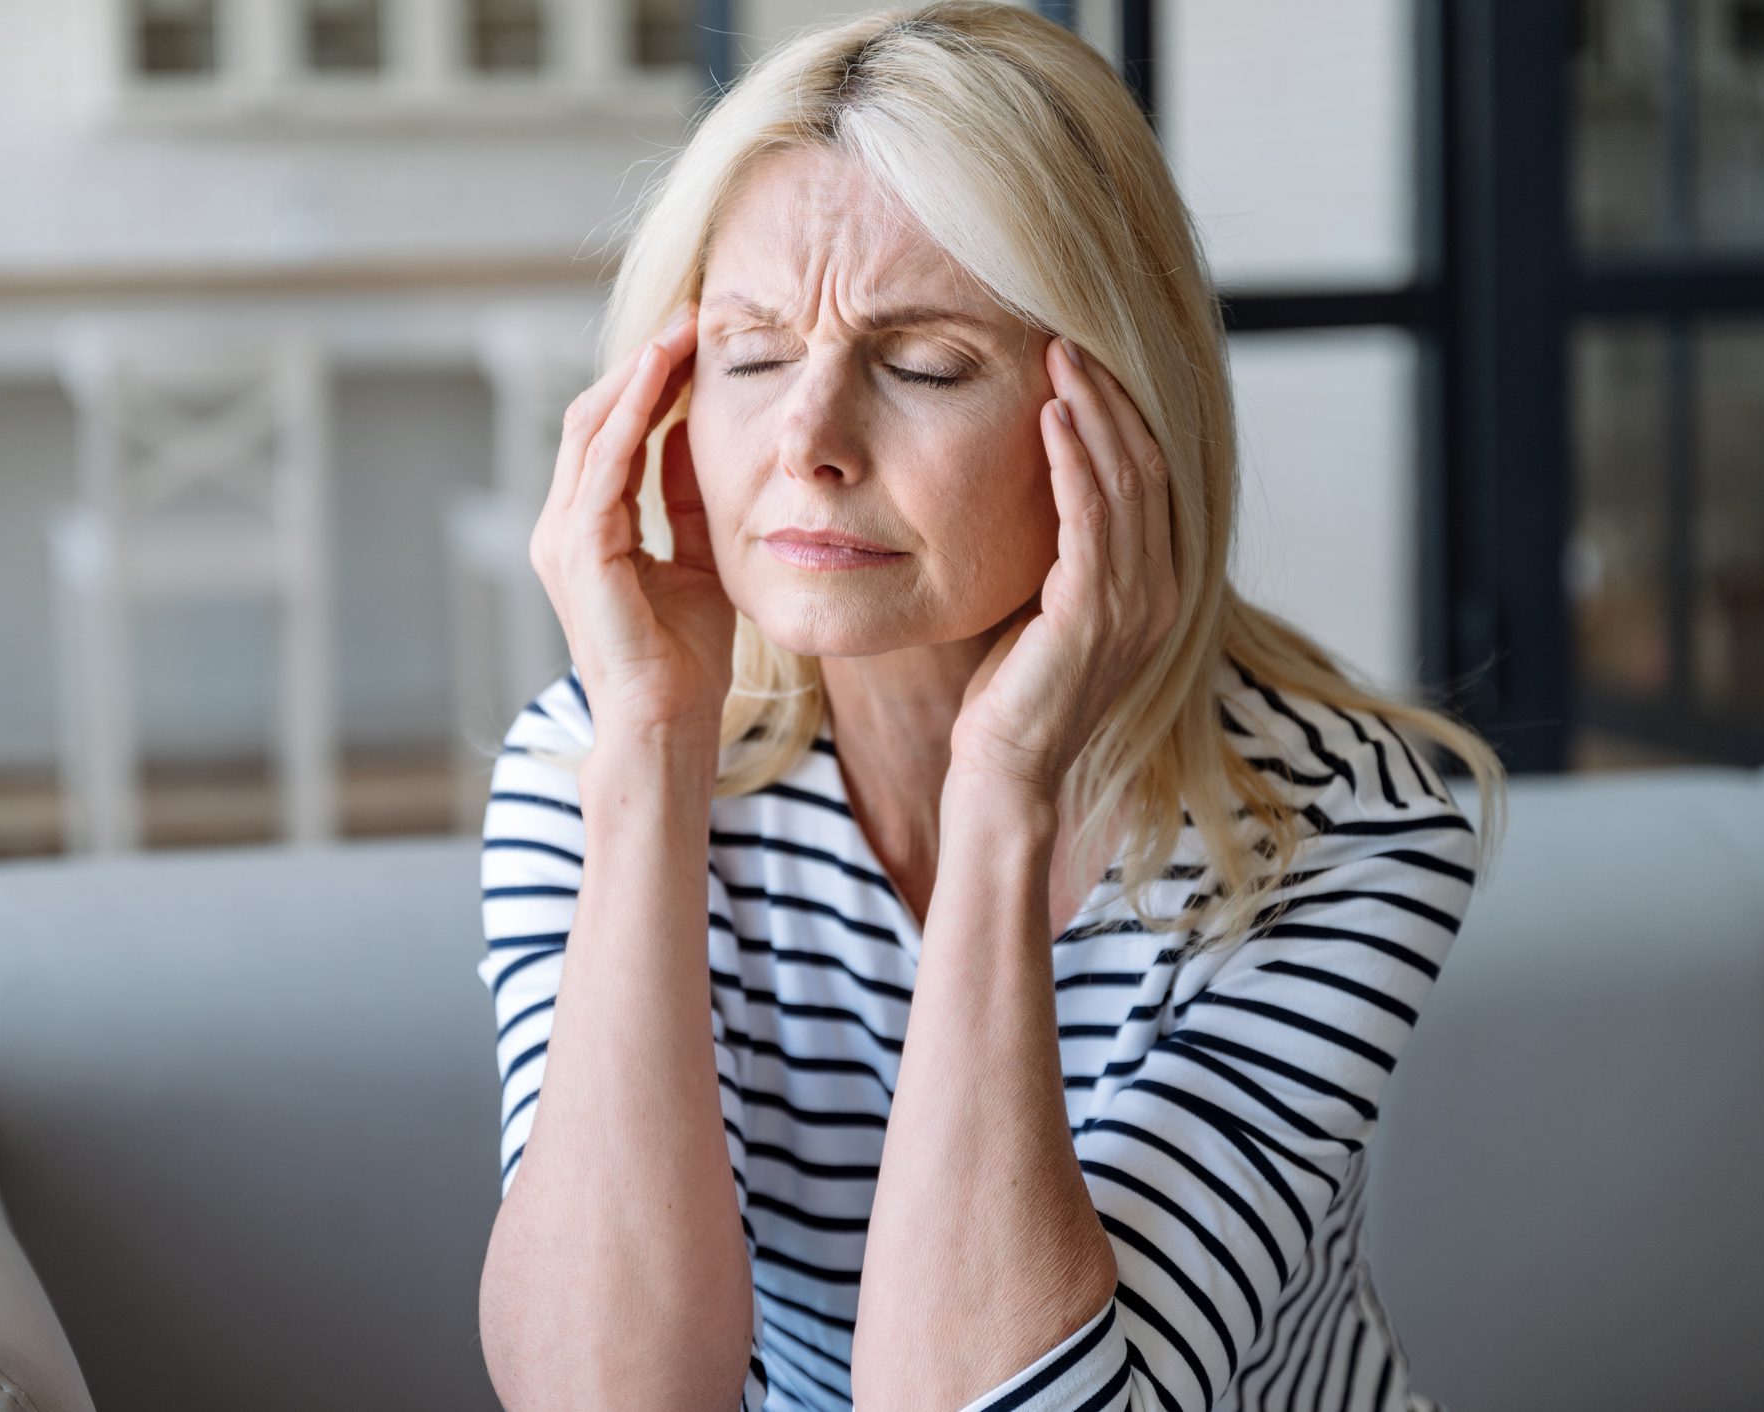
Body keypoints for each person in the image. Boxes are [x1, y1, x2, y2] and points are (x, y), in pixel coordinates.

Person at [474, 4, 1509, 1409]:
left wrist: (1004, 798)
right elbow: (601, 1398)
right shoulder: (596, 759)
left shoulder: (1343, 827)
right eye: (751, 352)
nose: (809, 445)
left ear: (1119, 415)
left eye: (923, 365)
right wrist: (650, 753)